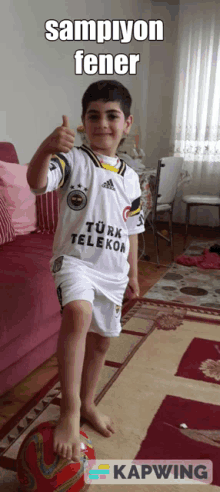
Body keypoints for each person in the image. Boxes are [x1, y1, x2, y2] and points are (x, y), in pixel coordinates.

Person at [27, 79, 145, 462]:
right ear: (82, 123)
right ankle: (70, 410)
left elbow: (132, 231)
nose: (102, 123)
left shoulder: (130, 178)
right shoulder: (73, 159)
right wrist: (47, 147)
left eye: (112, 116)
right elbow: (37, 182)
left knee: (101, 341)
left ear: (126, 123)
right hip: (74, 261)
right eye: (93, 116)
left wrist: (133, 275)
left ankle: (89, 402)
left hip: (112, 271)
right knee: (78, 314)